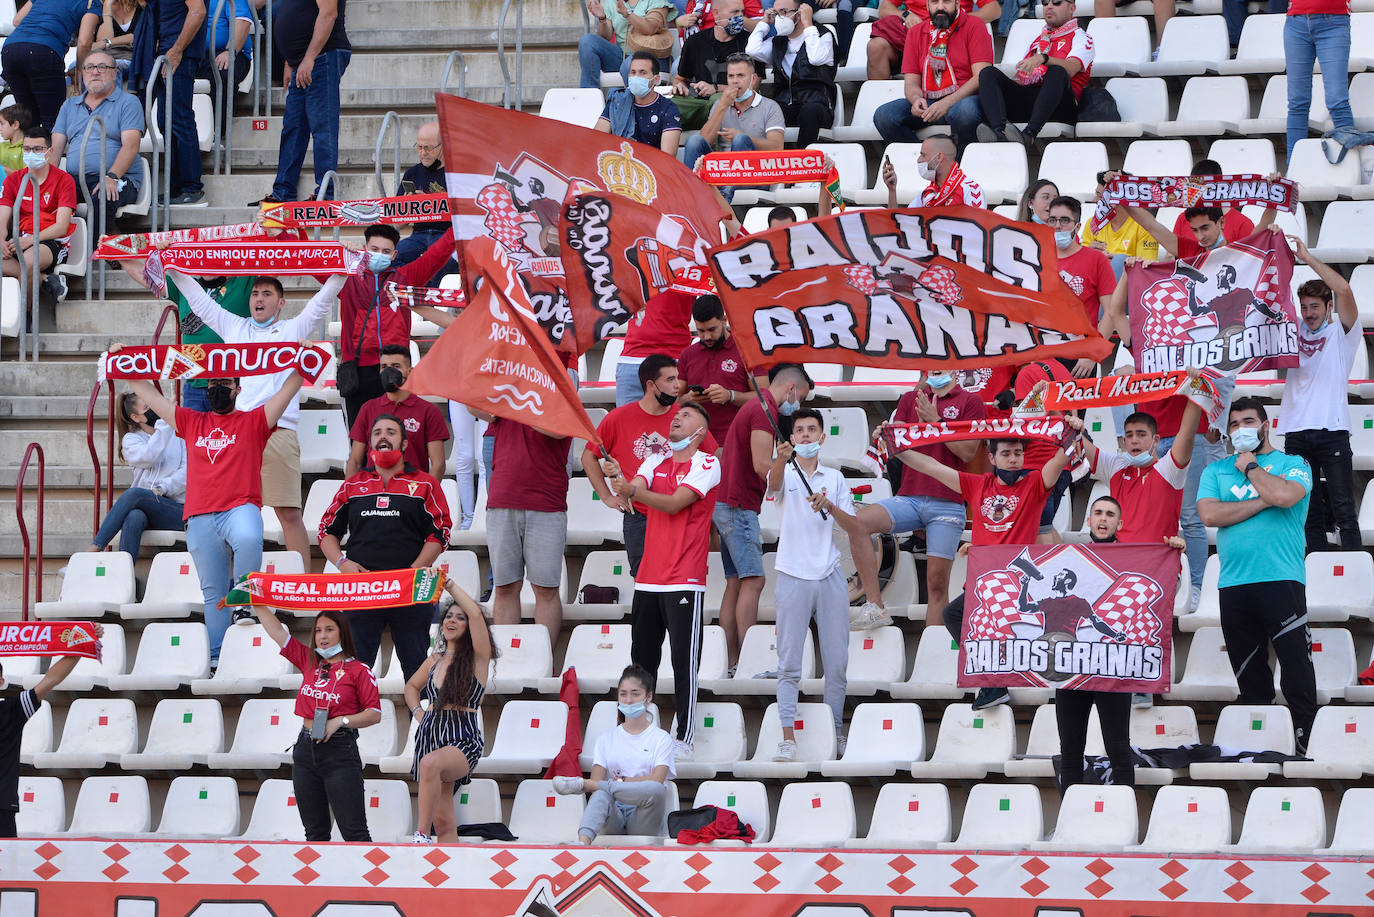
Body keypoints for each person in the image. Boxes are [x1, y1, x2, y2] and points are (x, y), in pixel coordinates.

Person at [120, 354, 306, 666]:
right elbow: (150, 395)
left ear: (238, 388)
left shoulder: (255, 420)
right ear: (206, 388)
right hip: (200, 516)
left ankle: (245, 597)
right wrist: (121, 361)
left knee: (248, 538)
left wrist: (303, 359)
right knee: (212, 594)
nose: (218, 388)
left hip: (239, 508)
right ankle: (217, 659)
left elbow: (289, 388)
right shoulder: (191, 421)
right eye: (213, 383)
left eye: (225, 383)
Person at [901, 390, 1075, 709]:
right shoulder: (977, 484)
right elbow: (929, 466)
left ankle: (995, 681)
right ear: (992, 458)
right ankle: (994, 680)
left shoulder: (1034, 484)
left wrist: (1072, 431)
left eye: (1017, 454)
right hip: (983, 582)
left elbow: (1060, 459)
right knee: (952, 615)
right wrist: (896, 448)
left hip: (1014, 583)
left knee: (969, 617)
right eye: (1006, 454)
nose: (1013, 459)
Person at [169, 266, 348, 574]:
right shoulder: (234, 327)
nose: (258, 299)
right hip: (238, 433)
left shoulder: (293, 329)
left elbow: (322, 300)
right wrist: (173, 269)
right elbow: (199, 301)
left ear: (281, 303)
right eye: (254, 293)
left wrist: (345, 268)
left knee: (289, 513)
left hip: (279, 431)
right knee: (228, 513)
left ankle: (300, 586)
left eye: (267, 294)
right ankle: (234, 590)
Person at [1197, 397, 1317, 754]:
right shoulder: (1215, 471)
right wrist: (1264, 498)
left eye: (1248, 422)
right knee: (1249, 674)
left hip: (1281, 579)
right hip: (1234, 585)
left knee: (1296, 668)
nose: (1240, 430)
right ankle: (1259, 742)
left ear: (1266, 426)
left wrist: (1252, 470)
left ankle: (1305, 740)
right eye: (1234, 425)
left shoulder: (1293, 463)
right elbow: (1210, 515)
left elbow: (1285, 494)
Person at [603, 403, 720, 759]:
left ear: (701, 430)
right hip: (649, 579)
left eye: (686, 416)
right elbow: (634, 489)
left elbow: (672, 504)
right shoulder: (656, 458)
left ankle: (684, 736)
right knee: (641, 662)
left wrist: (632, 489)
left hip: (684, 578)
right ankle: (634, 735)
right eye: (676, 415)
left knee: (684, 662)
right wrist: (619, 481)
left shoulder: (707, 464)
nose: (677, 418)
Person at [1054, 495, 1186, 790]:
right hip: (1071, 667)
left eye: (1110, 514)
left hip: (1113, 668)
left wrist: (1176, 552)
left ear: (1119, 523)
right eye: (1098, 513)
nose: (1103, 519)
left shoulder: (1136, 558)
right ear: (1088, 520)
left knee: (1118, 749)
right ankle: (1069, 822)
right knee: (1070, 752)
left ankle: (1123, 815)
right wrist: (980, 552)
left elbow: (1164, 588)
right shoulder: (1067, 558)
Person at [319, 414, 452, 680]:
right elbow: (326, 531)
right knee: (354, 672)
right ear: (369, 445)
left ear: (404, 445)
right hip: (362, 589)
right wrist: (342, 564)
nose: (383, 436)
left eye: (391, 432)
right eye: (377, 432)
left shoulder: (426, 483)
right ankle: (350, 723)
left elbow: (441, 532)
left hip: (411, 588)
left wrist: (412, 571)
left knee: (416, 669)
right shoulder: (352, 485)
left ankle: (421, 720)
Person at [851, 368, 983, 627]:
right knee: (857, 523)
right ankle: (875, 605)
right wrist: (886, 436)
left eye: (943, 360)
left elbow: (968, 452)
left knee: (936, 584)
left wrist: (936, 421)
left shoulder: (970, 401)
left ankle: (932, 655)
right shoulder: (910, 399)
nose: (936, 366)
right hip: (909, 498)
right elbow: (897, 441)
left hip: (947, 502)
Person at [767, 408, 859, 761]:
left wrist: (829, 505)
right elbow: (772, 488)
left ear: (822, 437)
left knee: (836, 663)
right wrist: (780, 459)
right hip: (792, 573)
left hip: (830, 574)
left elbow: (852, 526)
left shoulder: (834, 478)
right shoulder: (784, 472)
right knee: (789, 663)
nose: (805, 435)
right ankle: (787, 738)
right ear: (791, 438)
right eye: (799, 430)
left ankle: (834, 731)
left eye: (811, 430)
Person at [253, 605, 381, 842]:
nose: (322, 636)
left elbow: (374, 713)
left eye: (329, 630)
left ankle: (362, 879)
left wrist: (340, 721)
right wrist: (256, 602)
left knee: (354, 833)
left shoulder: (359, 670)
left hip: (340, 751)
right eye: (318, 630)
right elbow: (278, 633)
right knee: (315, 834)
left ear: (342, 632)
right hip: (304, 750)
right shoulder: (310, 661)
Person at [716, 363, 812, 670]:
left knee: (735, 582)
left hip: (728, 501)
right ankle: (747, 660)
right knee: (753, 580)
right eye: (801, 398)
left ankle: (731, 659)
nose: (799, 406)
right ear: (790, 389)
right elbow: (761, 465)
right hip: (738, 504)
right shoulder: (762, 410)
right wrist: (790, 470)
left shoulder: (758, 408)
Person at [584, 354, 707, 577]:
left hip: (677, 515)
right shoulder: (618, 418)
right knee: (644, 585)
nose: (677, 385)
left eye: (677, 378)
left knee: (678, 583)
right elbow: (588, 457)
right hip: (639, 517)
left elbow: (710, 455)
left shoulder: (684, 418)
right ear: (651, 385)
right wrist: (607, 497)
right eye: (670, 380)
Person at [1278, 237, 1362, 552]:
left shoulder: (1343, 332)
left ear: (1328, 307)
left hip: (1333, 431)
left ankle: (1353, 573)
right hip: (1296, 433)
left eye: (1315, 306)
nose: (1309, 313)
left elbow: (1344, 290)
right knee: (1307, 512)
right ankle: (1317, 572)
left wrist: (1307, 258)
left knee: (1344, 510)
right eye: (1304, 307)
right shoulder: (1292, 329)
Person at [337, 222, 456, 427]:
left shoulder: (405, 277)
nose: (379, 255)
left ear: (394, 255)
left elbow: (440, 251)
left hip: (395, 368)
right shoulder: (347, 278)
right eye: (374, 250)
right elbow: (310, 261)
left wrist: (461, 221)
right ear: (365, 249)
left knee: (398, 439)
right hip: (358, 370)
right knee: (358, 443)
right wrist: (339, 256)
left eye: (386, 251)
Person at [405, 574, 494, 844]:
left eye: (459, 617)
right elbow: (411, 687)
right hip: (430, 733)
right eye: (448, 616)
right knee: (443, 824)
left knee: (430, 764)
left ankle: (420, 835)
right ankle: (450, 876)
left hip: (461, 734)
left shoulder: (479, 658)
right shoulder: (434, 659)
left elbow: (477, 615)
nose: (451, 621)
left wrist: (450, 585)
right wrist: (419, 714)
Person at [0, 624, 105, 838]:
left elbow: (52, 679)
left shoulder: (11, 710)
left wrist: (80, 646)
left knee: (6, 869)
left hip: (1, 806)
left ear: (1, 681)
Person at [552, 664, 676, 843]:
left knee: (655, 789)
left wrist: (621, 782)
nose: (628, 700)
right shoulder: (605, 739)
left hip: (644, 817)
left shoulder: (661, 738)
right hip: (614, 813)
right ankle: (582, 843)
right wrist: (611, 786)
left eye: (635, 694)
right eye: (623, 694)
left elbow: (657, 780)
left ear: (648, 697)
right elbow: (597, 783)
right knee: (600, 793)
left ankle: (582, 784)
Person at [480, 415, 571, 643]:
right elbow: (473, 402)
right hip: (503, 496)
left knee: (546, 589)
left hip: (546, 501)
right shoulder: (507, 385)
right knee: (504, 587)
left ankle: (544, 663)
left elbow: (559, 428)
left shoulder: (558, 385)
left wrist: (516, 404)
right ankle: (506, 665)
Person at [255, 0, 348, 204]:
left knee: (323, 127)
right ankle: (283, 192)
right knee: (293, 128)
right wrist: (291, 61)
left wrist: (309, 57)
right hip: (302, 61)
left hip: (322, 57)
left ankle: (325, 193)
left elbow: (328, 14)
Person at [50, 50, 146, 243]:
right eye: (89, 68)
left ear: (114, 73)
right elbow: (56, 149)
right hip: (75, 179)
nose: (95, 72)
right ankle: (53, 254)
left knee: (103, 196)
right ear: (82, 74)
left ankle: (90, 259)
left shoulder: (128, 102)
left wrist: (111, 176)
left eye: (102, 67)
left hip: (117, 177)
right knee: (46, 199)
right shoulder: (69, 105)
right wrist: (48, 183)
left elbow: (131, 146)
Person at [872, 0, 991, 153]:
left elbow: (982, 76)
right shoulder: (916, 32)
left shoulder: (974, 25)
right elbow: (911, 83)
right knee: (885, 115)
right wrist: (916, 100)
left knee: (964, 112)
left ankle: (957, 166)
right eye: (934, 2)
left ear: (957, 4)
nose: (940, 7)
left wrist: (946, 103)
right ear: (927, 6)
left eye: (946, 1)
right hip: (931, 101)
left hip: (966, 98)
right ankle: (923, 161)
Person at [975, 0, 1093, 152]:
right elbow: (1020, 78)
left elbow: (1070, 69)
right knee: (988, 73)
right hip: (1033, 103)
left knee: (1056, 71)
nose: (1049, 7)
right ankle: (999, 132)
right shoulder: (1039, 41)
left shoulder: (1082, 37)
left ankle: (1029, 135)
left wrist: (1044, 58)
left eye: (1056, 2)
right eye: (1045, 3)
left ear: (1072, 8)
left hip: (1061, 106)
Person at [87, 390, 187, 558]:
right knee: (134, 516)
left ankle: (93, 550)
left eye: (154, 403)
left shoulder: (179, 434)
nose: (155, 408)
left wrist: (162, 489)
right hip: (148, 510)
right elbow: (149, 456)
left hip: (177, 510)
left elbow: (187, 474)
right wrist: (164, 423)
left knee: (135, 494)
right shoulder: (131, 440)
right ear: (135, 417)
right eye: (148, 406)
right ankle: (125, 577)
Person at [684, 53, 784, 203]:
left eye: (740, 76)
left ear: (753, 78)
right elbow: (704, 140)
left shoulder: (770, 107)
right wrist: (723, 106)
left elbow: (777, 148)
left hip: (756, 174)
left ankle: (724, 197)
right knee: (693, 141)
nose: (735, 81)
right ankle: (689, 198)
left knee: (741, 140)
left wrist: (745, 138)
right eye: (731, 76)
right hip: (721, 173)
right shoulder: (721, 104)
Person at [134, 0, 207, 206]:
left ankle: (191, 187)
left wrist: (177, 50)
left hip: (178, 55)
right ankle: (176, 186)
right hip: (165, 52)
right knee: (165, 121)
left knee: (178, 118)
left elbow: (198, 11)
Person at [345, 345, 449, 479]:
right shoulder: (368, 408)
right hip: (374, 492)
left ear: (410, 372)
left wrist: (425, 495)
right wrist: (350, 496)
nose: (389, 371)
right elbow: (354, 461)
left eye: (396, 366)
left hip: (412, 492)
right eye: (384, 367)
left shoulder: (428, 411)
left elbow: (438, 464)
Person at [1284, 0, 1369, 162]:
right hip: (1296, 21)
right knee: (1297, 102)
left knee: (1337, 100)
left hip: (1333, 20)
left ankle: (1350, 169)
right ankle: (1293, 172)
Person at [0, 127, 77, 303]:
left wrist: (32, 239)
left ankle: (26, 319)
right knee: (22, 263)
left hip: (49, 240)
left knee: (28, 263)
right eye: (26, 149)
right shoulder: (13, 180)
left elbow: (61, 226)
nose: (31, 153)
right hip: (19, 237)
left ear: (49, 152)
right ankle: (44, 279)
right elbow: (2, 217)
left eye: (37, 149)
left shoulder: (64, 180)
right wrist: (1, 239)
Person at [746, 0, 836, 148]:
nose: (779, 18)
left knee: (809, 111)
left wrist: (808, 24)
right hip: (787, 103)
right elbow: (752, 50)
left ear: (799, 13)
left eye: (783, 12)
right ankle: (781, 160)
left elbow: (816, 58)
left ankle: (802, 159)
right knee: (767, 110)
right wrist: (764, 22)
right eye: (776, 13)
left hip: (817, 103)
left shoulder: (822, 35)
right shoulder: (778, 41)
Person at [0, 0, 101, 131]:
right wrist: (80, 70)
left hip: (10, 49)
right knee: (53, 121)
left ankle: (31, 149)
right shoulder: (90, 2)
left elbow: (17, 21)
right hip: (45, 50)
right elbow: (84, 42)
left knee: (28, 118)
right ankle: (50, 150)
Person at [678, 294, 756, 445]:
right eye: (700, 331)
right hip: (697, 443)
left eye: (712, 329)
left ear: (724, 320)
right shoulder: (688, 354)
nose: (706, 336)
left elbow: (764, 398)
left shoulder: (746, 350)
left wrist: (730, 396)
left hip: (738, 440)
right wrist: (689, 398)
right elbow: (675, 400)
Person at [1045, 196, 1117, 355]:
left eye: (1064, 220)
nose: (1057, 226)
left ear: (1077, 227)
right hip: (1045, 351)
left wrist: (1093, 353)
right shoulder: (1037, 259)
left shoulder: (1096, 259)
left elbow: (1111, 312)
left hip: (1081, 353)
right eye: (1052, 220)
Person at [672, 0, 752, 130]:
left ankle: (711, 143)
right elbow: (680, 79)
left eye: (742, 12)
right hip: (701, 105)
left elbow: (752, 88)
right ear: (716, 14)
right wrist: (680, 88)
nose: (740, 17)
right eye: (735, 12)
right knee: (670, 106)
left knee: (719, 100)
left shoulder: (749, 42)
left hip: (735, 104)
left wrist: (716, 88)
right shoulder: (695, 42)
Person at [613, 290, 696, 407]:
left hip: (672, 357)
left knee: (669, 423)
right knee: (626, 423)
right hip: (632, 358)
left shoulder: (696, 271)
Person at [393, 121, 454, 281]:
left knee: (440, 260)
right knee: (393, 257)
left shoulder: (456, 173)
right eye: (419, 147)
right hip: (418, 235)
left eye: (428, 147)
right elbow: (398, 224)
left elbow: (466, 213)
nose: (422, 153)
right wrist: (409, 207)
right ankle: (399, 302)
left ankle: (428, 302)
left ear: (443, 146)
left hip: (447, 235)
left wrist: (428, 202)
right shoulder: (412, 173)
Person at [594, 52, 683, 157]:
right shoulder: (618, 102)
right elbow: (596, 141)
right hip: (618, 165)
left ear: (656, 79)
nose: (636, 77)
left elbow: (668, 156)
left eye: (643, 72)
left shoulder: (668, 109)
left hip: (651, 168)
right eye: (633, 72)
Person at [579, 0, 675, 89]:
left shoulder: (656, 1)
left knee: (630, 64)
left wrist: (627, 14)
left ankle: (631, 104)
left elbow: (651, 28)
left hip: (652, 59)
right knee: (587, 41)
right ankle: (590, 98)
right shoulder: (611, 2)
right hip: (622, 57)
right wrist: (602, 18)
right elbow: (605, 36)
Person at [1080, 169, 1159, 278]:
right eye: (1096, 194)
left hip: (1128, 286)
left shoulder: (1144, 226)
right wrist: (1089, 254)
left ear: (1118, 198)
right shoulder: (1093, 223)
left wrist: (1120, 263)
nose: (1095, 200)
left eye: (1100, 196)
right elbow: (1080, 265)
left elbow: (1148, 269)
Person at [881, 135, 985, 209]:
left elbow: (978, 233)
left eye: (923, 155)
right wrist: (892, 191)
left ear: (939, 157)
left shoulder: (971, 190)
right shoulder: (927, 195)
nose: (919, 160)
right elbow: (900, 228)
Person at [196, 0, 252, 139]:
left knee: (223, 72)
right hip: (198, 55)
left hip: (231, 52)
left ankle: (217, 131)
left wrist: (230, 51)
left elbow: (243, 22)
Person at [96, 0, 143, 81]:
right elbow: (101, 43)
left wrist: (109, 42)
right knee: (74, 66)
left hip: (133, 57)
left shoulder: (140, 5)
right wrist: (107, 8)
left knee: (111, 67)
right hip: (109, 56)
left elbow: (140, 36)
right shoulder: (99, 8)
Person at [0, 105, 36, 175]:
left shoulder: (28, 150)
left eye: (2, 124)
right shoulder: (1, 146)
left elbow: (27, 176)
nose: (0, 128)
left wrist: (2, 168)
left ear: (15, 125)